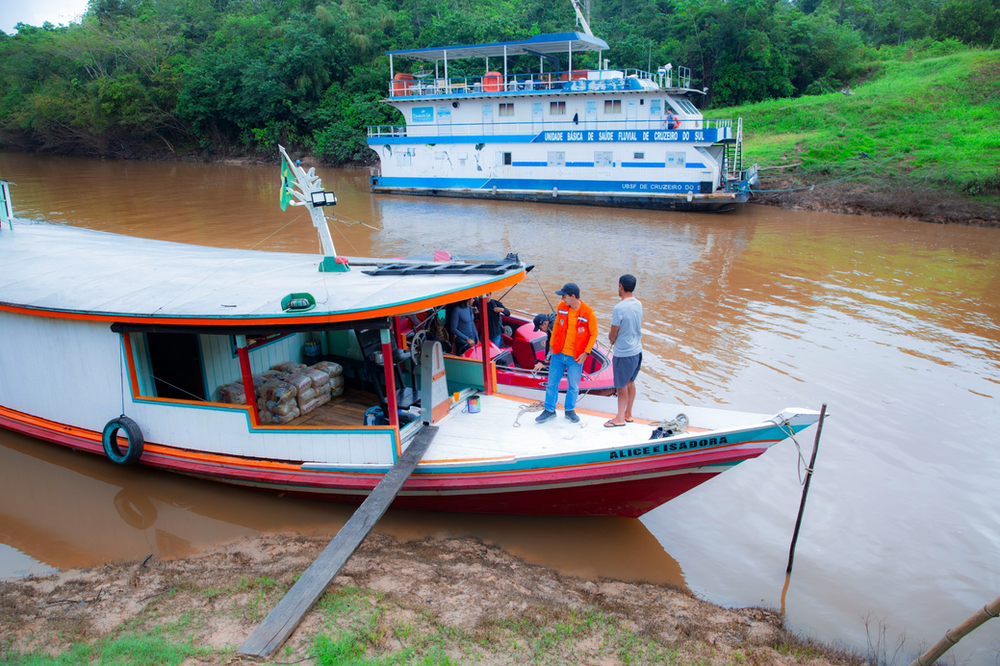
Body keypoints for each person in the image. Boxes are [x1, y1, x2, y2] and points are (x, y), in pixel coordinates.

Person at [535, 283, 598, 425]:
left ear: (573, 296)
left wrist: (586, 353)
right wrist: (551, 343)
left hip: (575, 357)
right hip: (558, 353)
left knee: (573, 386)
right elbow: (557, 324)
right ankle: (549, 410)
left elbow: (593, 334)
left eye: (564, 296)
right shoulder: (561, 307)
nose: (562, 298)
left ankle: (570, 410)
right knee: (551, 383)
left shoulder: (589, 313)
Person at [605, 274, 643, 427]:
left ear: (620, 286)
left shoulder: (619, 308)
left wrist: (611, 338)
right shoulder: (638, 304)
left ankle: (619, 418)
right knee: (630, 382)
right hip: (637, 351)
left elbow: (613, 333)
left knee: (621, 386)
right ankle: (628, 414)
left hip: (624, 353)